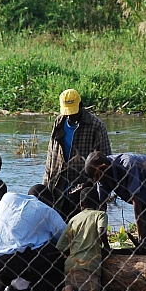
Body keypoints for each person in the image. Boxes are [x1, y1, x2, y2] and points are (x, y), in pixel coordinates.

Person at [85, 151, 146, 249]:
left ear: (104, 168)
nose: (95, 181)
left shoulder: (128, 165)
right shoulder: (101, 177)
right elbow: (101, 207)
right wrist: (98, 237)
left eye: (96, 176)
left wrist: (140, 238)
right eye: (93, 178)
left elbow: (136, 201)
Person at [0, 187, 68, 291]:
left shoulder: (8, 198)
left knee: (18, 245)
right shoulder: (47, 211)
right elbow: (64, 237)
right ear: (49, 202)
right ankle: (22, 283)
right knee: (54, 251)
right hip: (12, 262)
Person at [43, 88, 112, 222]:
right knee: (59, 228)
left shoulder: (96, 126)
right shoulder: (59, 123)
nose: (69, 116)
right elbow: (51, 156)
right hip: (59, 185)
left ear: (81, 106)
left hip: (84, 188)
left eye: (73, 112)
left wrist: (90, 184)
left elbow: (105, 161)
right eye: (67, 112)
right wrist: (46, 185)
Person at [56, 187, 110, 291]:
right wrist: (106, 247)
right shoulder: (100, 215)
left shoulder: (74, 219)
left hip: (70, 265)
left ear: (81, 204)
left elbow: (61, 246)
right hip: (88, 265)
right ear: (98, 203)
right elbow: (101, 232)